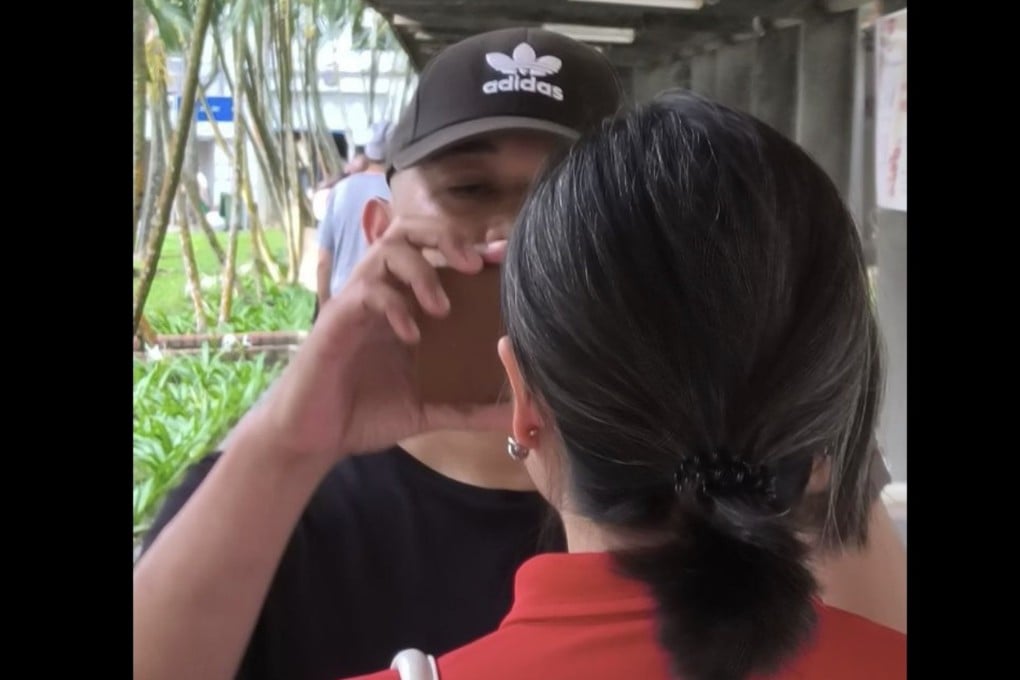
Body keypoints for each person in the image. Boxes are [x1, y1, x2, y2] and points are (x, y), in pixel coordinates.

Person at [134, 30, 905, 680]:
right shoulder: (273, 494)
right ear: (375, 230)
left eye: (556, 202)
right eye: (469, 189)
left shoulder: (753, 458)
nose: (513, 237)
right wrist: (287, 441)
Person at [314, 122, 392, 324]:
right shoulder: (402, 193)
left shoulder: (340, 190)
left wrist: (324, 311)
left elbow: (323, 261)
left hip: (342, 303)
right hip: (387, 305)